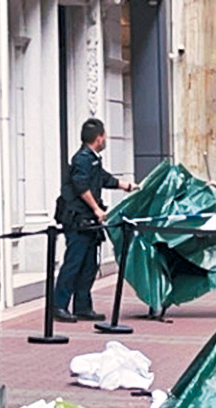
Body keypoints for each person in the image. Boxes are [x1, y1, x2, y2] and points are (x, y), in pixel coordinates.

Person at [53, 118, 139, 323]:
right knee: (74, 264)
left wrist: (128, 186)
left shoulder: (92, 158)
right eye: (104, 136)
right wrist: (96, 209)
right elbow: (81, 186)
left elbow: (104, 178)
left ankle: (83, 307)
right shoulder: (82, 159)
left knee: (89, 265)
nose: (105, 139)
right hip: (78, 221)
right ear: (99, 137)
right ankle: (58, 306)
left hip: (89, 222)